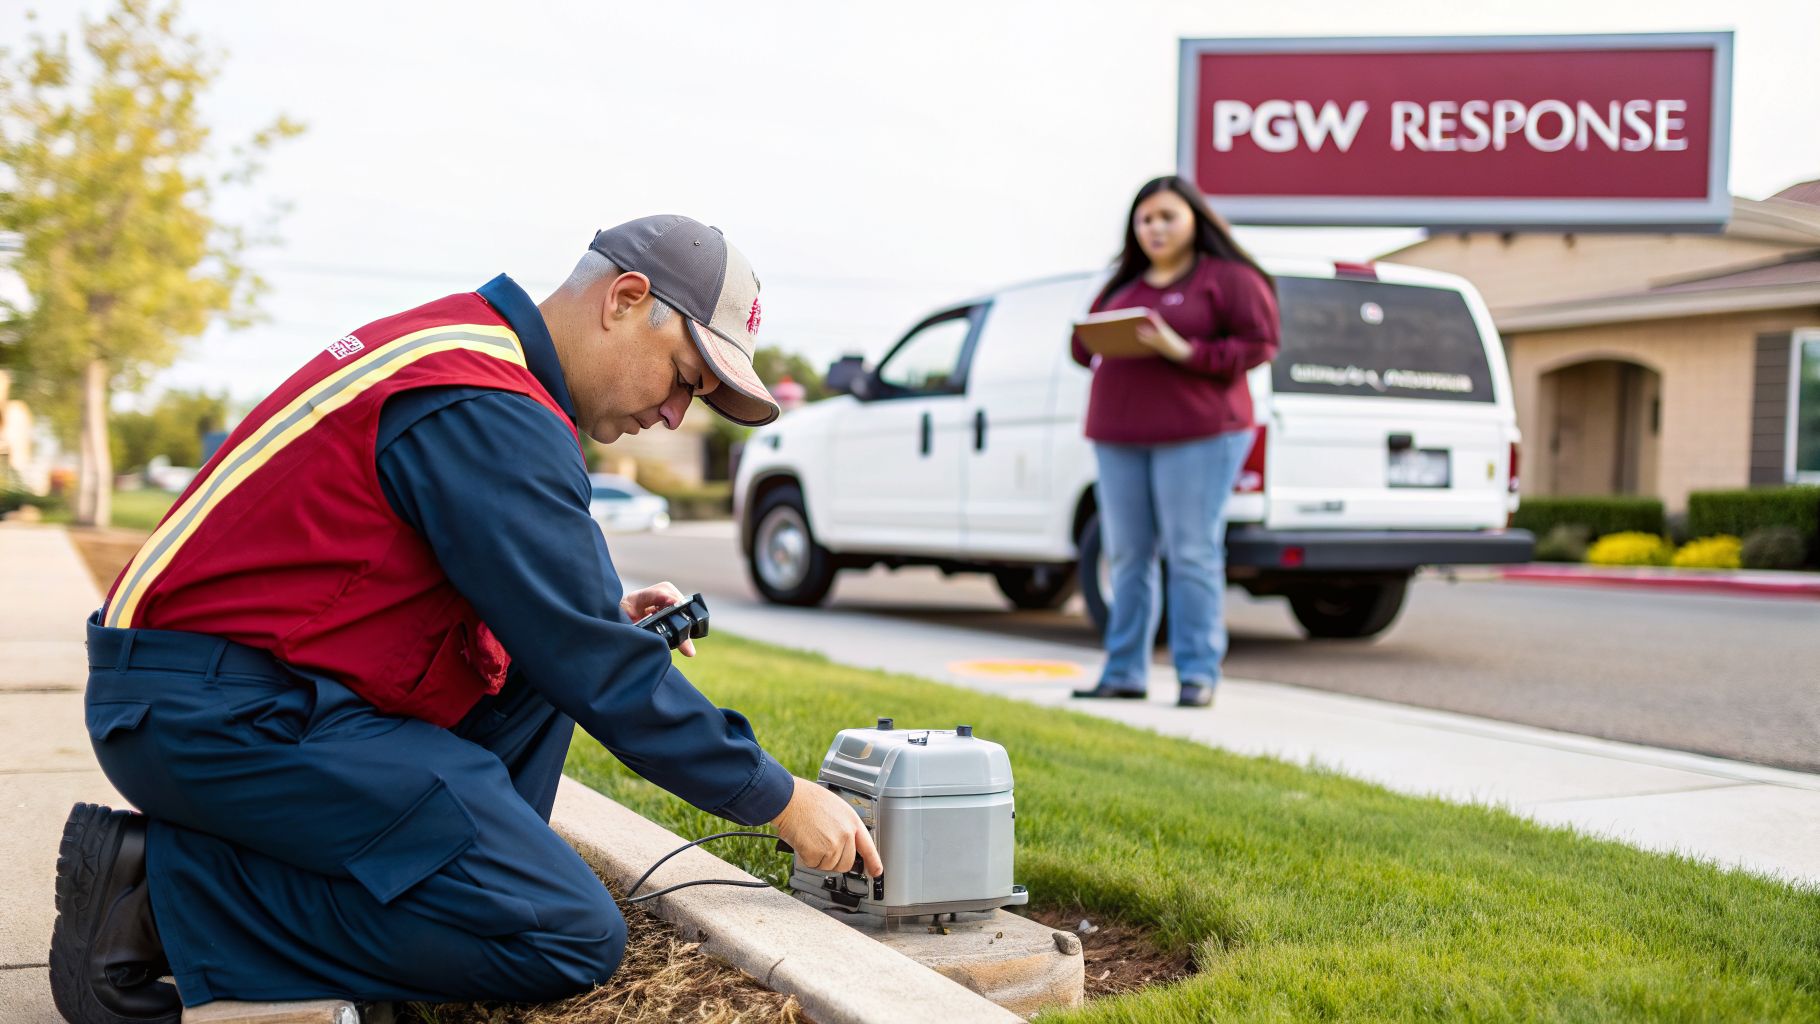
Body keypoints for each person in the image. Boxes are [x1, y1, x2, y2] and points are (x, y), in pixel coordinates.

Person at [50, 215, 883, 1023]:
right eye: (683, 377)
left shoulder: (472, 356)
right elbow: (597, 670)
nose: (675, 414)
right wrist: (779, 798)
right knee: (567, 935)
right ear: (625, 298)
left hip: (233, 688)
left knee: (564, 660)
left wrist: (597, 611)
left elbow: (525, 616)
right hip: (212, 713)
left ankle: (452, 897)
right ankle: (156, 892)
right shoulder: (484, 401)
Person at [1069, 177, 1280, 708]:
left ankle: (1197, 672)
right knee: (1127, 556)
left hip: (1201, 435)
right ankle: (1123, 672)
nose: (1155, 228)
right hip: (1119, 435)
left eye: (1167, 216)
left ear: (1195, 220)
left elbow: (1260, 345)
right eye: (1145, 219)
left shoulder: (1230, 278)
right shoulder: (1124, 282)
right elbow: (1080, 344)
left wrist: (1179, 348)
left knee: (1191, 552)